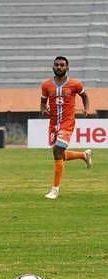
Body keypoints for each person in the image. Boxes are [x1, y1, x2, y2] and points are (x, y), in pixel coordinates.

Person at [40, 56, 92, 200]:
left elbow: (85, 96)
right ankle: (84, 155)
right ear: (53, 67)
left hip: (67, 122)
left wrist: (86, 109)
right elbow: (43, 101)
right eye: (56, 65)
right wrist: (43, 109)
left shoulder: (75, 84)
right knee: (59, 153)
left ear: (67, 68)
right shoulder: (46, 85)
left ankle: (55, 190)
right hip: (53, 124)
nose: (59, 67)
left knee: (57, 150)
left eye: (62, 65)